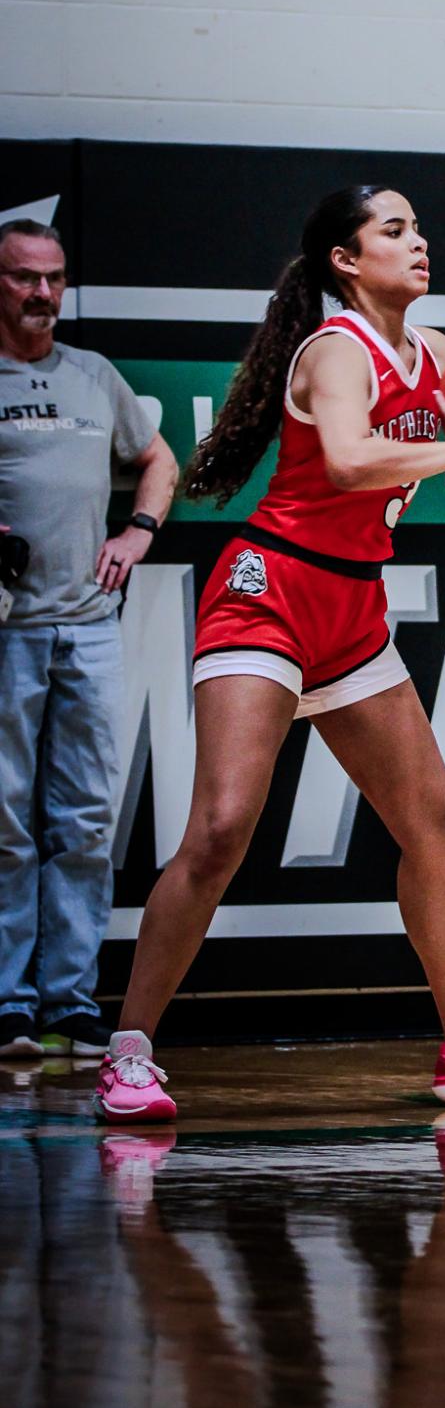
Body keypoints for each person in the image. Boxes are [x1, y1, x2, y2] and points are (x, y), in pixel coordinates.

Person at [94, 185, 445, 1122]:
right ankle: (130, 1049)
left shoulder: (432, 353)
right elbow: (347, 459)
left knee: (433, 819)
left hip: (352, 611)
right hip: (268, 596)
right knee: (221, 829)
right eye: (395, 230)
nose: (418, 242)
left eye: (421, 229)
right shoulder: (335, 349)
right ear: (346, 260)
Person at [0, 217, 179, 1062]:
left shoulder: (93, 376)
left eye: (53, 278)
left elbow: (161, 460)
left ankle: (70, 1003)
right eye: (24, 278)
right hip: (7, 630)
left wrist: (138, 530)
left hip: (86, 627)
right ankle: (8, 1003)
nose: (42, 293)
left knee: (82, 820)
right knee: (4, 823)